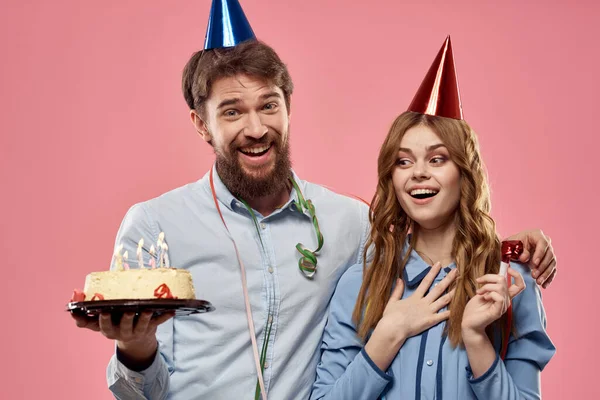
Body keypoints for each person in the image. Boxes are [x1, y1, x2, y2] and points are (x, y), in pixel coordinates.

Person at [72, 2, 558, 399]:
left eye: (268, 105)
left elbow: (431, 236)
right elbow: (140, 395)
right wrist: (136, 350)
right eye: (232, 111)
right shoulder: (155, 227)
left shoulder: (349, 224)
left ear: (289, 107)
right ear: (202, 124)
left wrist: (512, 247)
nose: (256, 127)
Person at [311, 37, 556, 400]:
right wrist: (387, 335)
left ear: (465, 172)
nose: (418, 173)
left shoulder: (510, 283)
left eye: (437, 159)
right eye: (404, 161)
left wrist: (476, 340)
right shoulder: (361, 281)